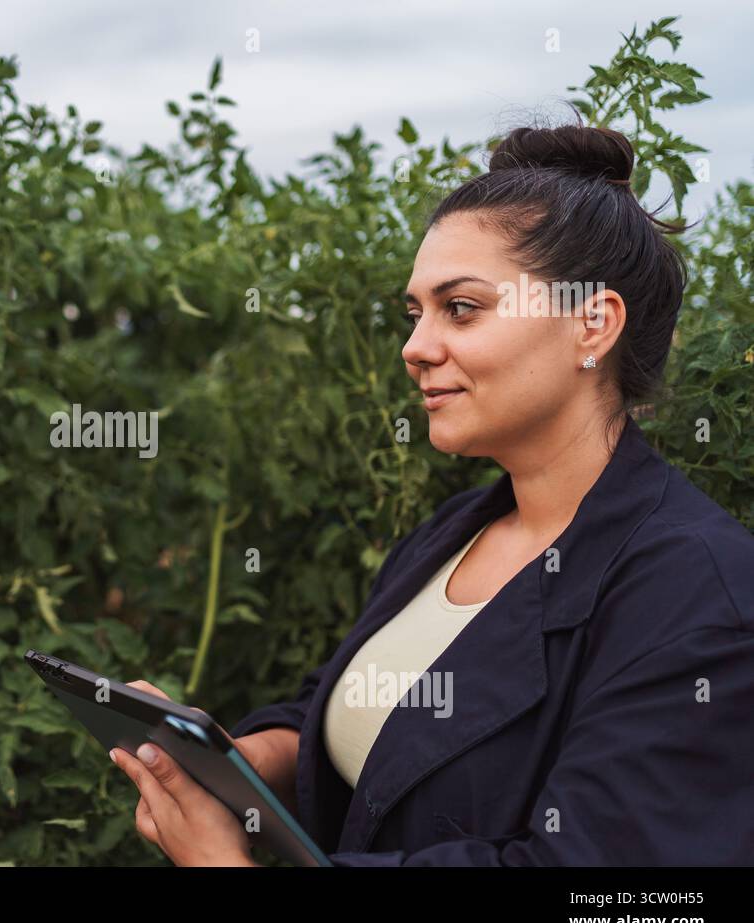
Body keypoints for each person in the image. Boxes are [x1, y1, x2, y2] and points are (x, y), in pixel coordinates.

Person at [110, 120, 754, 866]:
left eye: (463, 308)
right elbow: (347, 713)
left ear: (592, 325)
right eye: (415, 313)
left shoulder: (700, 595)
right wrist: (227, 758)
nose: (415, 348)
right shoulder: (455, 533)